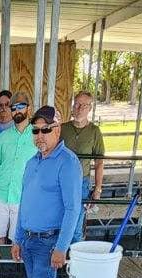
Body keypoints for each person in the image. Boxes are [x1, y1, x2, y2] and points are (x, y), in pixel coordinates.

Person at [10, 105, 82, 278]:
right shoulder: (32, 162)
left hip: (48, 242)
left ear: (57, 129)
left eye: (45, 130)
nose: (39, 135)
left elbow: (73, 209)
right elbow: (24, 202)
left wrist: (62, 247)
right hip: (28, 239)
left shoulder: (68, 162)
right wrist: (17, 238)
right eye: (35, 130)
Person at [0, 90, 37, 244]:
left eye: (21, 106)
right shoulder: (2, 137)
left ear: (28, 109)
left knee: (18, 240)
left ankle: (15, 268)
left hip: (22, 197)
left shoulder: (37, 135)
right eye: (13, 107)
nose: (17, 110)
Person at [60, 91, 105, 242]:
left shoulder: (94, 132)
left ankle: (74, 263)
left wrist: (97, 190)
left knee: (76, 225)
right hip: (60, 182)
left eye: (84, 105)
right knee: (58, 222)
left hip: (81, 183)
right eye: (77, 104)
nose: (79, 109)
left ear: (90, 108)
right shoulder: (62, 129)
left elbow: (99, 162)